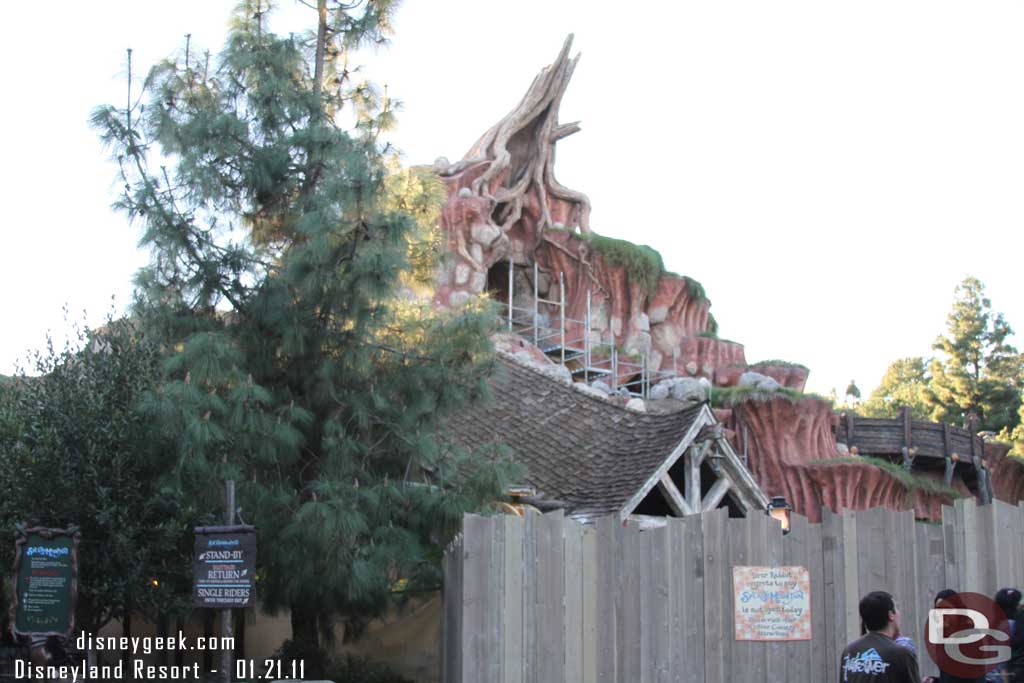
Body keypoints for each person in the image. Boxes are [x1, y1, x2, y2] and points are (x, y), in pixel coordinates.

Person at [841, 591, 920, 682]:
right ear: (891, 615)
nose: (899, 613)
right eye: (897, 608)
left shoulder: (849, 652)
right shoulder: (901, 654)